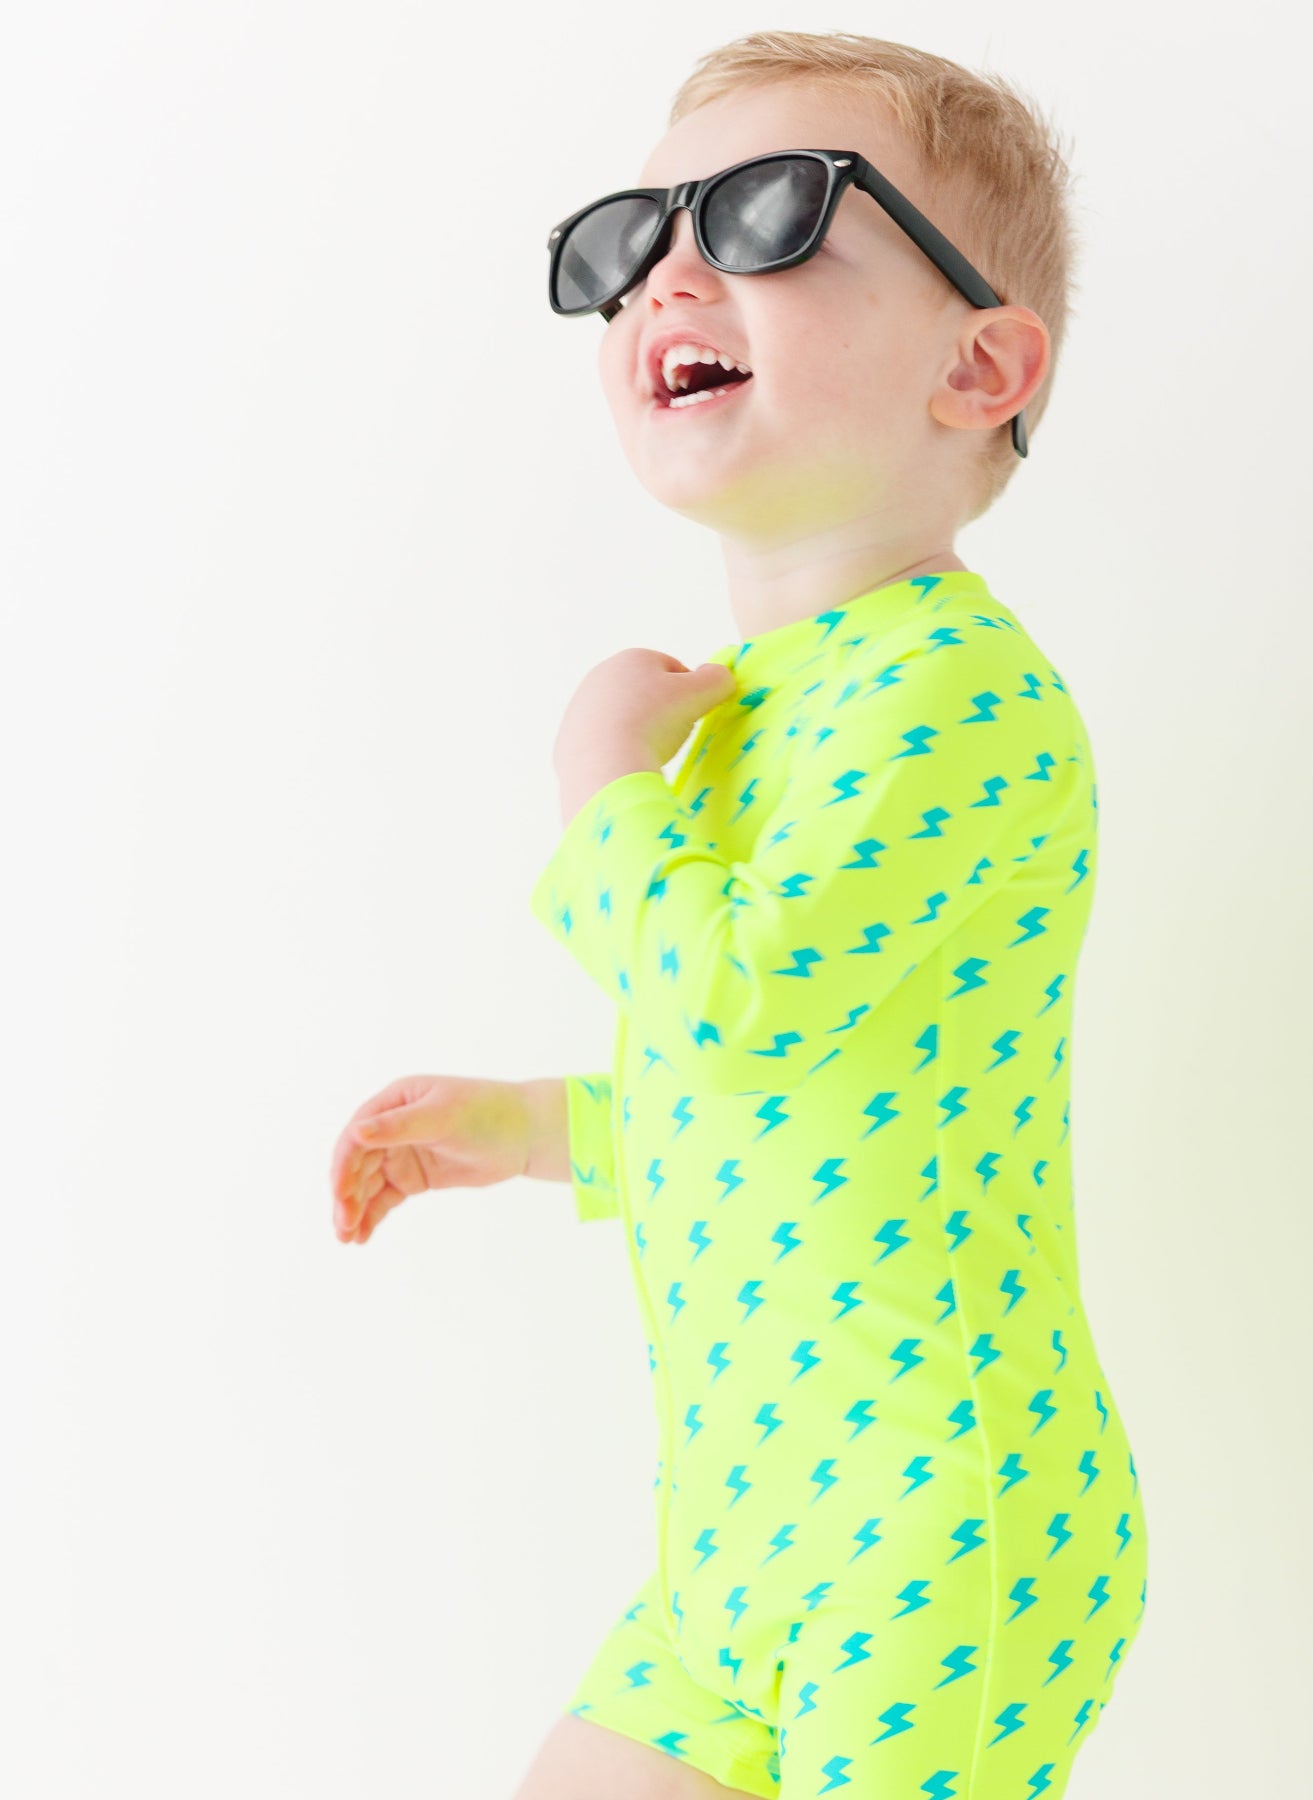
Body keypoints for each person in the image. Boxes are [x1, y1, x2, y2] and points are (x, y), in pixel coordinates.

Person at [329, 30, 1147, 1800]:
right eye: (634, 238)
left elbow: (741, 1009)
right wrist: (538, 1129)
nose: (669, 278)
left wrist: (600, 784)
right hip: (737, 1539)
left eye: (770, 217)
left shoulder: (952, 694)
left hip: (931, 1528)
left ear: (980, 364)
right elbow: (789, 1106)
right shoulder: (753, 712)